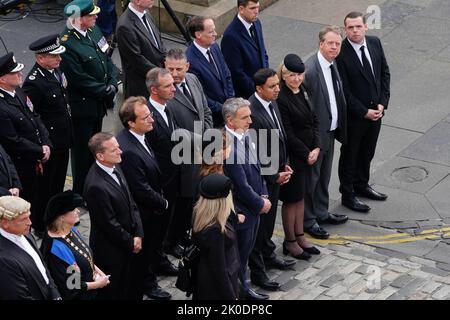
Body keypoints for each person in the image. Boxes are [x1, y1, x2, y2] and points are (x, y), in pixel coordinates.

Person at [116, 96, 172, 300]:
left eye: (150, 115)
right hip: (144, 212)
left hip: (151, 207)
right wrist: (164, 202)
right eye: (145, 117)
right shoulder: (129, 150)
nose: (151, 120)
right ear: (131, 122)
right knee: (143, 254)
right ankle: (146, 283)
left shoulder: (141, 136)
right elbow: (141, 189)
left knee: (152, 248)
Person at [60, 0, 118, 195]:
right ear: (79, 19)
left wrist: (112, 81)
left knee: (96, 149)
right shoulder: (67, 43)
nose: (96, 17)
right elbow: (78, 79)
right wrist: (104, 89)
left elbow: (106, 58)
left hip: (98, 104)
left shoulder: (94, 31)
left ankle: (95, 186)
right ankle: (81, 191)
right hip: (82, 107)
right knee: (82, 154)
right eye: (91, 15)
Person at [336, 12, 390, 212]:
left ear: (366, 27)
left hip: (376, 112)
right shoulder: (341, 53)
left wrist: (383, 103)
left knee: (368, 151)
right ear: (345, 30)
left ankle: (362, 184)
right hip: (355, 117)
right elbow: (344, 90)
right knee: (350, 155)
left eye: (358, 26)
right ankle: (348, 194)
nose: (355, 31)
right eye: (350, 28)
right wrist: (363, 111)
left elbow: (384, 73)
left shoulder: (375, 43)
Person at [247, 68, 295, 291]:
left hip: (277, 174)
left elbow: (279, 137)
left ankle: (268, 256)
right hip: (263, 180)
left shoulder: (272, 102)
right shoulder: (253, 113)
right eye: (272, 86)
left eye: (278, 84)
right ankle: (258, 271)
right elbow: (256, 153)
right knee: (259, 228)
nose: (278, 89)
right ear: (259, 89)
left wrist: (284, 162)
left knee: (268, 224)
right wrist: (273, 174)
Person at [22, 34, 74, 237]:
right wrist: (42, 143)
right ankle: (41, 224)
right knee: (46, 187)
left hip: (63, 139)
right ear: (40, 58)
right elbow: (32, 117)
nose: (59, 59)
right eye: (54, 56)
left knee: (58, 183)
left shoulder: (55, 71)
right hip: (50, 143)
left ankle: (55, 217)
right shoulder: (34, 83)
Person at [163, 48, 213, 256]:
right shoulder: (163, 89)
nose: (174, 74)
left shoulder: (193, 80)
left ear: (187, 67)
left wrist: (209, 139)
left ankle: (184, 234)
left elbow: (206, 110)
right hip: (181, 155)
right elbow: (172, 129)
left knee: (194, 198)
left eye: (178, 69)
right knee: (180, 202)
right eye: (170, 69)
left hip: (200, 152)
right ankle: (171, 241)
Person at [83, 132, 144, 299]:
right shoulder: (96, 185)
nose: (120, 152)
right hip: (112, 251)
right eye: (114, 150)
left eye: (118, 147)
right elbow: (109, 224)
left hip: (129, 242)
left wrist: (138, 233)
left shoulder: (115, 166)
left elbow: (131, 202)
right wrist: (131, 242)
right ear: (100, 156)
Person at [223, 97, 271, 301]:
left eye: (249, 116)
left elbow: (257, 171)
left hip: (254, 208)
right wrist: (260, 203)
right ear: (230, 120)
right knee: (238, 258)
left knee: (246, 253)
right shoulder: (228, 147)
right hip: (242, 212)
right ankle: (238, 294)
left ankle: (243, 288)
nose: (250, 121)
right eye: (244, 118)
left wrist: (264, 194)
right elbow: (240, 185)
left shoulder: (245, 137)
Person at [303, 26, 349, 239]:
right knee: (311, 179)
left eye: (337, 43)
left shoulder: (332, 64)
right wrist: (313, 140)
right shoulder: (311, 70)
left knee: (324, 176)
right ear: (321, 44)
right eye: (330, 43)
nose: (334, 47)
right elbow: (307, 109)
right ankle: (308, 220)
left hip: (330, 132)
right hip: (316, 136)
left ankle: (321, 212)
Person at [0, 52, 52, 237]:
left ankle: (36, 226)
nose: (20, 75)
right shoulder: (2, 106)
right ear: (2, 79)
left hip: (35, 157)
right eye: (15, 73)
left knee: (37, 196)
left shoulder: (18, 92)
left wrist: (45, 143)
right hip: (21, 163)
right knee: (26, 200)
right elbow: (12, 140)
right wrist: (38, 150)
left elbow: (35, 117)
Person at [277, 54, 321, 259]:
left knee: (301, 196)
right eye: (292, 75)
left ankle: (300, 235)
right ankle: (290, 240)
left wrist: (317, 147)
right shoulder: (282, 98)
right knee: (291, 199)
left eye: (299, 74)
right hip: (295, 156)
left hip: (309, 152)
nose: (296, 79)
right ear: (283, 76)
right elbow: (288, 133)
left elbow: (314, 119)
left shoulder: (303, 90)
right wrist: (306, 153)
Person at [40, 190, 110, 300]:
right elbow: (73, 285)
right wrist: (98, 284)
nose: (78, 211)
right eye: (73, 209)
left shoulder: (70, 229)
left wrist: (99, 273)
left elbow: (84, 254)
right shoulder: (58, 248)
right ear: (61, 217)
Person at [144, 68, 183, 259]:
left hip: (172, 179)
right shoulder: (148, 118)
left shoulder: (168, 108)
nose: (173, 89)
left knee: (167, 222)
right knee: (156, 227)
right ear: (154, 90)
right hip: (159, 183)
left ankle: (162, 252)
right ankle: (154, 260)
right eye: (168, 86)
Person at [0, 196, 61, 300]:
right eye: (23, 219)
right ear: (5, 223)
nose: (30, 222)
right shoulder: (3, 260)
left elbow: (42, 267)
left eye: (29, 216)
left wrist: (55, 295)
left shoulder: (26, 234)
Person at [192, 173, 240, 300]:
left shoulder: (200, 214)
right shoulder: (215, 230)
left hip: (207, 279)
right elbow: (219, 270)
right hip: (216, 289)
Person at [186, 16, 235, 127]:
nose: (215, 34)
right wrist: (223, 108)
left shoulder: (214, 46)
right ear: (198, 35)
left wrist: (230, 99)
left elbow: (226, 74)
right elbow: (200, 94)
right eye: (211, 32)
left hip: (227, 108)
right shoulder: (190, 61)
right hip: (214, 118)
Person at [116, 0, 167, 98]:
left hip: (156, 78)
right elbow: (137, 60)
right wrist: (161, 74)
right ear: (137, 1)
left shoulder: (146, 13)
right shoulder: (125, 26)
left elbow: (158, 41)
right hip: (141, 87)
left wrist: (167, 62)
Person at [221, 0, 269, 99]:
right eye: (252, 8)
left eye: (257, 7)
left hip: (262, 87)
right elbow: (236, 73)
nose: (256, 11)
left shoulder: (256, 23)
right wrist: (257, 90)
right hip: (248, 95)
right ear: (241, 9)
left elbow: (262, 52)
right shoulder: (230, 36)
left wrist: (266, 77)